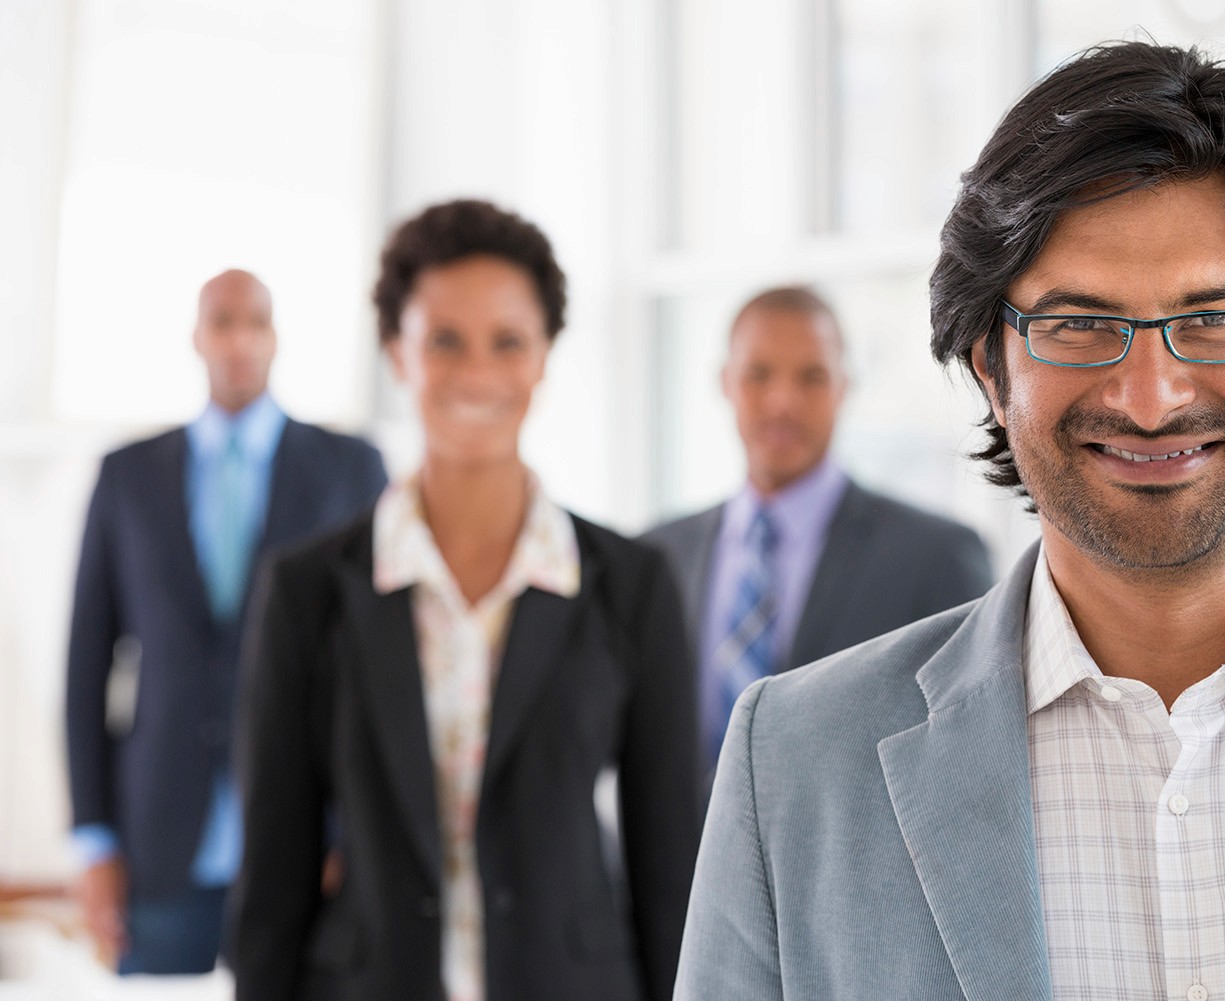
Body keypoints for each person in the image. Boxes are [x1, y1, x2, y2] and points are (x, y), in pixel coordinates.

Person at [676, 41, 1225, 1001]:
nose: (1149, 398)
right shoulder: (794, 764)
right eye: (1077, 324)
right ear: (992, 366)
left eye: (1218, 319)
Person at [232, 200, 700, 1001]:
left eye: (508, 340)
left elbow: (673, 873)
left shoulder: (631, 584)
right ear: (395, 352)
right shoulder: (308, 592)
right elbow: (273, 873)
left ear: (545, 355)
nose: (477, 371)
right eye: (444, 340)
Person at [65, 269, 387, 974]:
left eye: (255, 322)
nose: (239, 339)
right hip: (160, 832)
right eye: (222, 322)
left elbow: (381, 670)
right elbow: (86, 665)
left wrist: (362, 828)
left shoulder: (352, 469)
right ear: (197, 337)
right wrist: (93, 840)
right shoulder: (128, 476)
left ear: (274, 338)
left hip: (312, 833)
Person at [643, 287, 992, 771]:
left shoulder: (936, 556)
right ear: (725, 383)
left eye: (812, 377)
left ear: (844, 387)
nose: (783, 401)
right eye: (758, 374)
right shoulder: (656, 554)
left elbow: (969, 746)